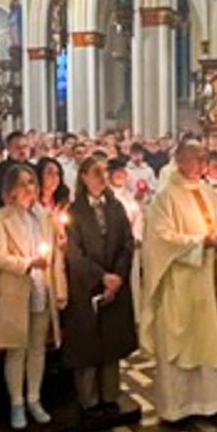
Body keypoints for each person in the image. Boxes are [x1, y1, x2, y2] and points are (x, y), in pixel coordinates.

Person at [141, 142, 217, 423]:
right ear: (179, 160)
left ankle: (210, 403)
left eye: (205, 158)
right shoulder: (165, 197)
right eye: (196, 158)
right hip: (180, 281)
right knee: (180, 343)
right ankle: (177, 408)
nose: (202, 163)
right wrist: (198, 242)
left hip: (206, 280)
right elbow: (160, 237)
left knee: (206, 340)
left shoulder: (208, 192)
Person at [0, 165, 67, 429]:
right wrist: (28, 263)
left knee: (37, 348)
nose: (28, 189)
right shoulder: (1, 217)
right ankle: (17, 402)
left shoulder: (43, 215)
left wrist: (60, 290)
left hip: (42, 289)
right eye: (22, 184)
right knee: (16, 350)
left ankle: (34, 398)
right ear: (10, 190)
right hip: (16, 289)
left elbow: (55, 256)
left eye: (31, 183)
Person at [62, 156, 139, 415]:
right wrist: (101, 277)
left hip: (114, 282)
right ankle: (89, 398)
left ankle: (110, 394)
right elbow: (74, 253)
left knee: (111, 342)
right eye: (96, 172)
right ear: (83, 176)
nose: (102, 177)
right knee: (88, 344)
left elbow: (127, 244)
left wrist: (116, 276)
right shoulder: (74, 211)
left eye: (105, 172)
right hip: (87, 285)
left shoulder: (116, 207)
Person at [0, 131, 33, 219]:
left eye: (25, 147)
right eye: (18, 147)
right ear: (9, 149)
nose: (22, 151)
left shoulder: (35, 170)